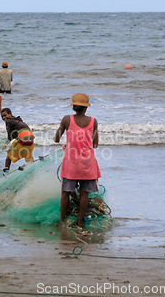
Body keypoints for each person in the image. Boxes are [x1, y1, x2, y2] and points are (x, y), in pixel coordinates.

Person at [53, 93, 101, 228]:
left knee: (65, 193)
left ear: (73, 107)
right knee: (84, 193)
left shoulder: (66, 119)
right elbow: (95, 144)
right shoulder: (93, 121)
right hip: (87, 163)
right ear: (86, 108)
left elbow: (56, 139)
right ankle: (80, 223)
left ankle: (63, 221)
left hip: (71, 163)